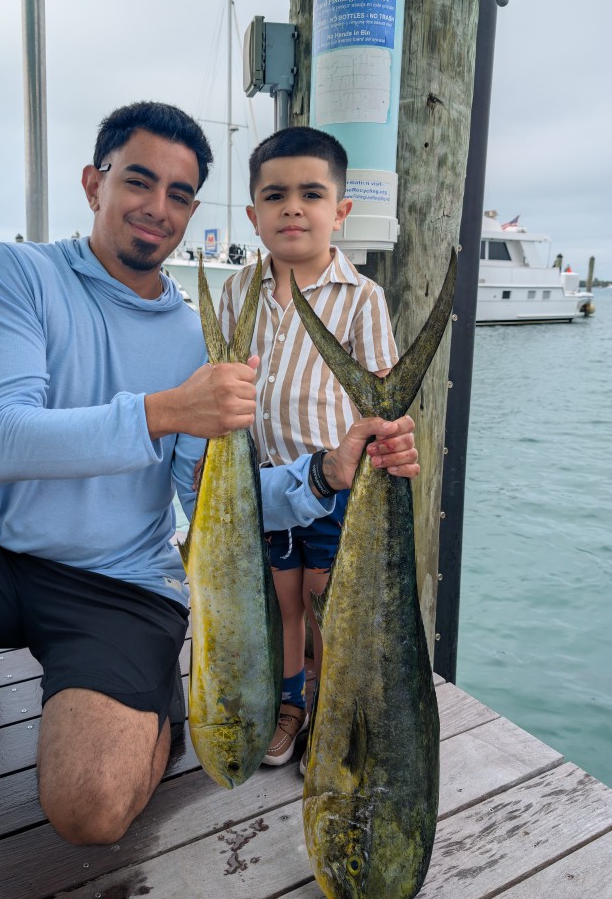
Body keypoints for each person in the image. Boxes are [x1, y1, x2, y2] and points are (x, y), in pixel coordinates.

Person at [0, 102, 418, 845]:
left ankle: (153, 716)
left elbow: (208, 498)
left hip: (120, 587)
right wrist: (165, 410)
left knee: (89, 812)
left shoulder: (192, 334)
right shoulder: (19, 273)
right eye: (139, 181)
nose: (158, 208)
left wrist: (325, 476)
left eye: (180, 195)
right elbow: (5, 440)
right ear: (94, 183)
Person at [218, 126, 405, 770]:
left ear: (340, 211)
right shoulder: (236, 290)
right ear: (253, 214)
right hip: (263, 483)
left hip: (334, 483)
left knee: (325, 595)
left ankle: (328, 707)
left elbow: (381, 396)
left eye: (310, 193)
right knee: (280, 598)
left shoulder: (363, 298)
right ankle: (288, 701)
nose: (292, 207)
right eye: (275, 196)